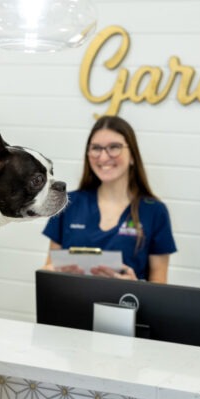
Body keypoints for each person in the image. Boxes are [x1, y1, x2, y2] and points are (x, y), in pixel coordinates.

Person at [42, 116, 177, 282]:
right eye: (96, 148)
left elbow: (160, 287)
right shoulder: (68, 203)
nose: (104, 157)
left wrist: (135, 288)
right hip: (72, 305)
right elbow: (49, 270)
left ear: (133, 156)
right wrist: (51, 272)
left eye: (114, 147)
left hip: (127, 306)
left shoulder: (154, 211)